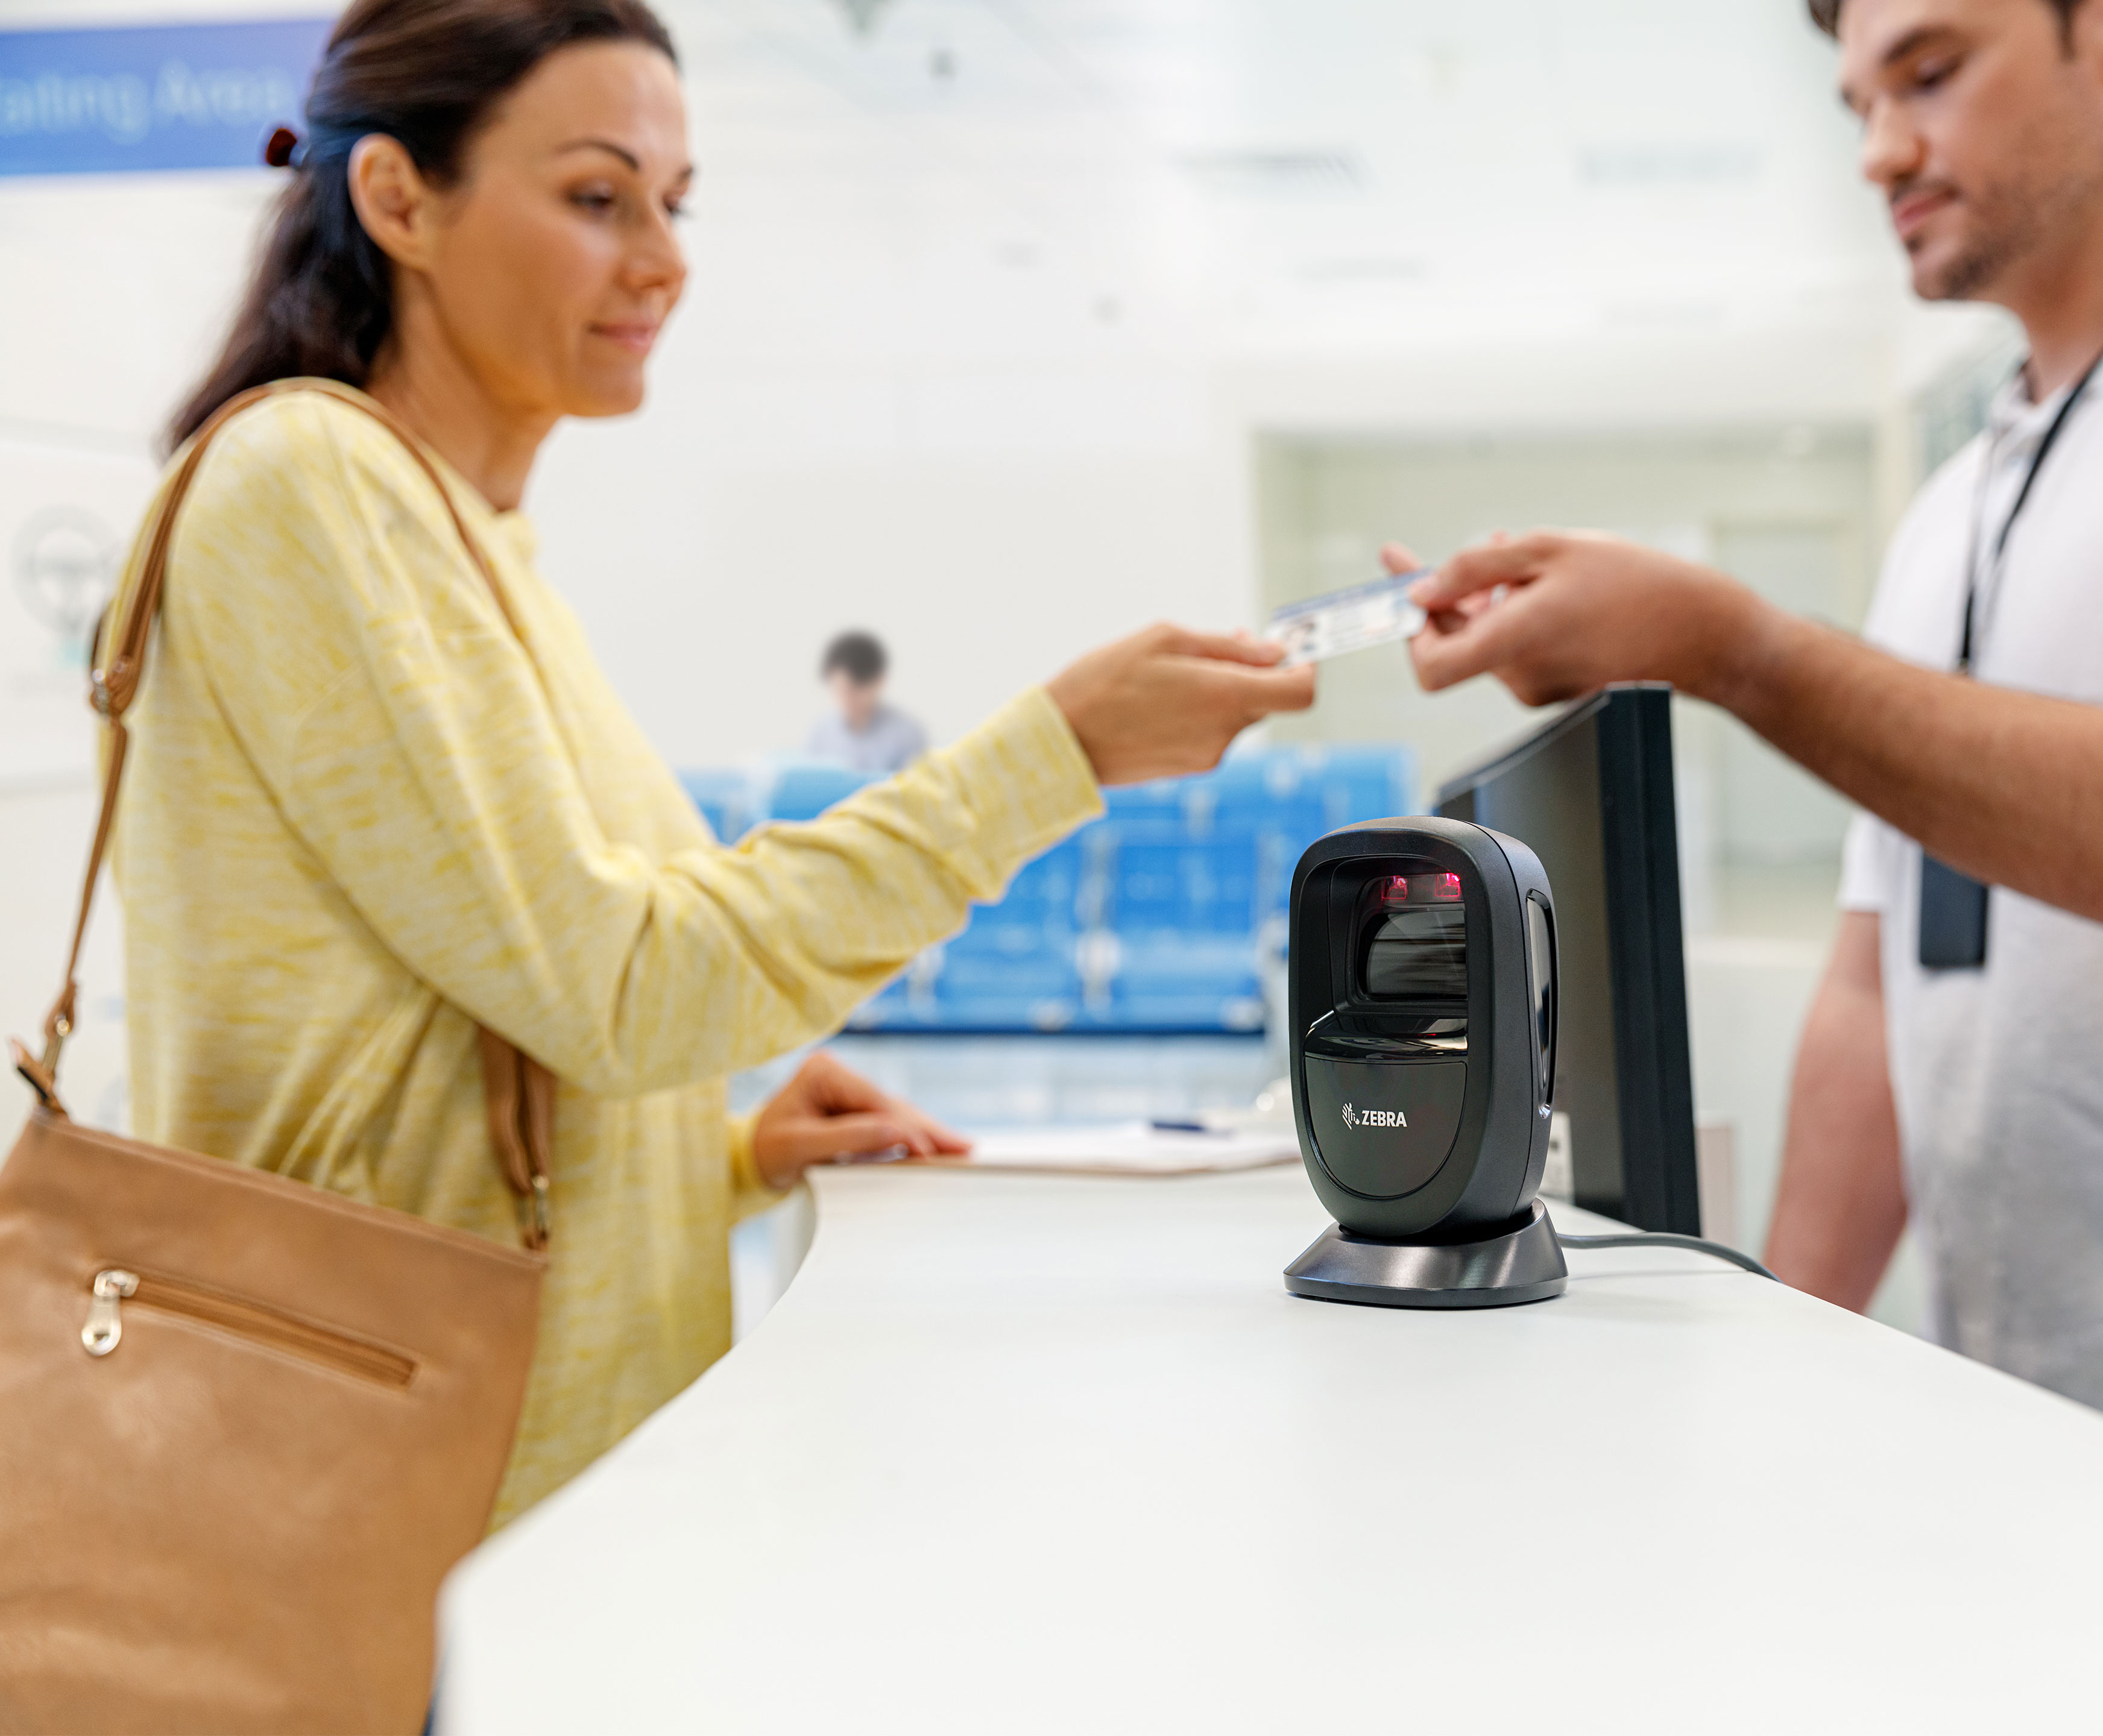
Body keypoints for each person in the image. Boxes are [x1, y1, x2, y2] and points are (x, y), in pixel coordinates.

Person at [116, 0, 1311, 1527]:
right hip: (394, 1535)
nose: (663, 259)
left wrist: (725, 1147)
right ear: (400, 198)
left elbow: (510, 1033)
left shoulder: (477, 543)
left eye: (674, 205)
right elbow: (623, 988)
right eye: (597, 197)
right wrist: (1056, 754)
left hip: (546, 1512)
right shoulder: (308, 486)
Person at [1389, 0, 2103, 1434]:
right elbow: (1886, 980)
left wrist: (1736, 652)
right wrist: (1777, 1369)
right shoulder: (1954, 509)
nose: (1879, 150)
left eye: (1930, 74)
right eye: (1856, 101)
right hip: (2020, 1411)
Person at [806, 629, 927, 772]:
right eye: (840, 690)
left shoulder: (906, 734)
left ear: (879, 681)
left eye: (856, 690)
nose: (847, 699)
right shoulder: (822, 733)